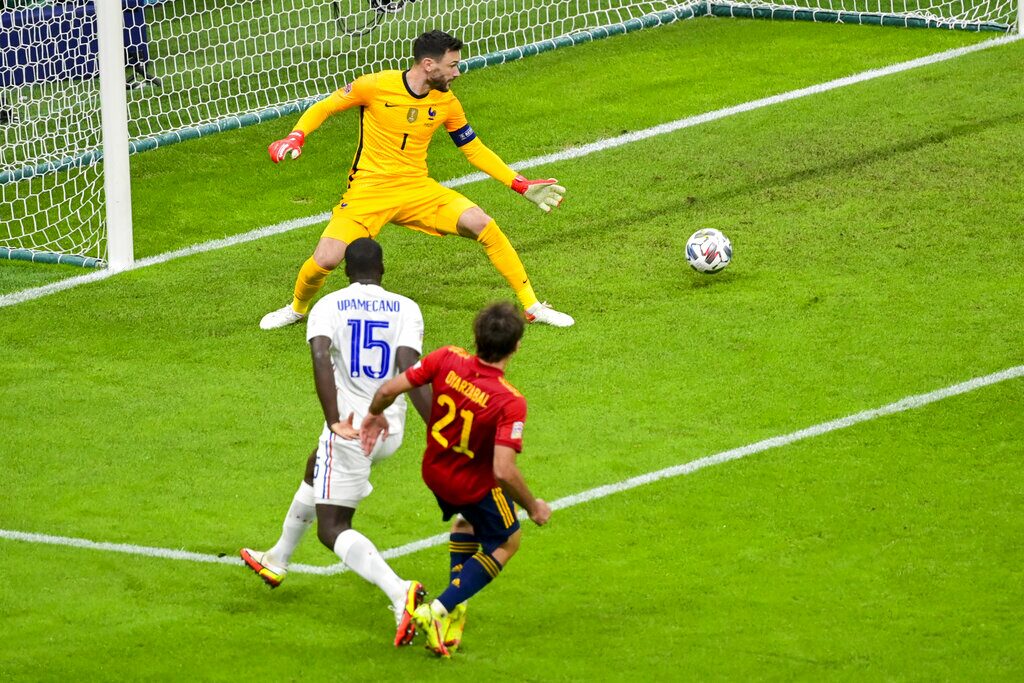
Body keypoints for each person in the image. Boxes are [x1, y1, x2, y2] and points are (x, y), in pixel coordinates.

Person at [259, 29, 574, 331]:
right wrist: (296, 136)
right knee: (326, 258)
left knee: (482, 223)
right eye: (452, 65)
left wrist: (519, 184)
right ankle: (297, 308)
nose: (457, 73)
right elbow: (326, 106)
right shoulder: (376, 85)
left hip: (416, 189)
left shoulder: (447, 103)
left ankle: (532, 307)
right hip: (370, 191)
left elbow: (474, 149)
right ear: (428, 65)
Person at [241, 238, 433, 647]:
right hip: (389, 431)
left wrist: (334, 421)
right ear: (383, 269)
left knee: (332, 528)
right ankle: (277, 558)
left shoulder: (328, 306)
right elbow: (409, 370)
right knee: (316, 466)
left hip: (350, 432)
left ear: (346, 271)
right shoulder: (407, 308)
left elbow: (320, 358)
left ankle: (401, 592)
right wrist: (438, 428)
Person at [359, 301, 552, 658]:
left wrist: (373, 415)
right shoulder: (509, 401)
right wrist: (533, 506)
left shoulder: (447, 357)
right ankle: (437, 610)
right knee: (507, 541)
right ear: (516, 346)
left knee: (466, 522)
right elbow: (503, 471)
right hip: (472, 484)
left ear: (476, 337)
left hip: (435, 472)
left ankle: (455, 609)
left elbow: (389, 390)